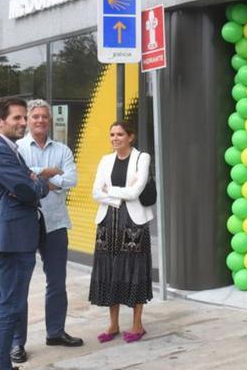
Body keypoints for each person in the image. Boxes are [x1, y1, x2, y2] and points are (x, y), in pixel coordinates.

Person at [0, 96, 49, 370]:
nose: (23, 123)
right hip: (13, 239)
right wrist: (36, 181)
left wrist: (32, 179)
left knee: (7, 304)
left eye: (24, 117)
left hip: (15, 237)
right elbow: (30, 190)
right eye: (17, 118)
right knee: (9, 307)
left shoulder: (7, 148)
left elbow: (27, 184)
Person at [10, 100, 82, 364]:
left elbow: (71, 179)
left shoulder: (62, 149)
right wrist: (50, 175)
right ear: (28, 120)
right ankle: (17, 342)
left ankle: (55, 332)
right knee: (20, 285)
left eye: (44, 117)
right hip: (25, 223)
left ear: (50, 120)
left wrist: (36, 177)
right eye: (35, 116)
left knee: (57, 282)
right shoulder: (17, 148)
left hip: (55, 222)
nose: (40, 121)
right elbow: (18, 178)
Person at [89, 121, 154, 343]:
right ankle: (113, 324)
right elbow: (96, 193)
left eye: (120, 134)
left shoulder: (141, 158)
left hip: (134, 222)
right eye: (112, 134)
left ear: (130, 137)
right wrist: (121, 195)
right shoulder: (105, 160)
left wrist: (112, 191)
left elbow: (137, 191)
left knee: (135, 271)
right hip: (107, 221)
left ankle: (137, 325)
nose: (115, 138)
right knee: (109, 271)